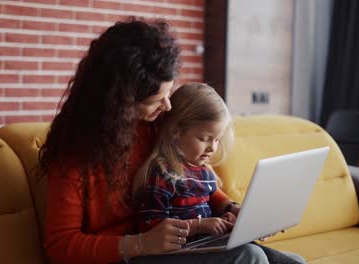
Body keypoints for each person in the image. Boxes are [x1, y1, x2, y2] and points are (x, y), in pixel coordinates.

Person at [39, 17, 278, 264]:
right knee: (249, 258)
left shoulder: (154, 127)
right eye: (156, 100)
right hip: (126, 256)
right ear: (120, 101)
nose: (168, 106)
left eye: (168, 93)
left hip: (175, 247)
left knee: (288, 261)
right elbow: (60, 246)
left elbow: (194, 181)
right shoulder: (73, 155)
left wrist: (230, 208)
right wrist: (140, 243)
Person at [131, 83, 306, 264]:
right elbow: (150, 228)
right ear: (176, 132)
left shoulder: (204, 171)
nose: (212, 148)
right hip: (171, 253)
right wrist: (198, 227)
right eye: (204, 139)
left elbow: (212, 203)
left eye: (217, 139)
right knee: (252, 256)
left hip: (204, 245)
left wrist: (228, 220)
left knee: (294, 261)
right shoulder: (162, 173)